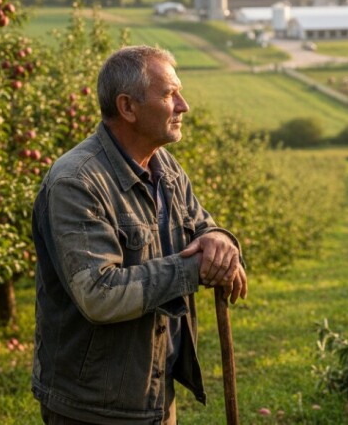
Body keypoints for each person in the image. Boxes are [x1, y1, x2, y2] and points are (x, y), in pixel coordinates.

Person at [31, 45, 247, 425]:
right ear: (128, 107)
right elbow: (99, 294)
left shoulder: (165, 168)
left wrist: (219, 240)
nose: (183, 106)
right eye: (169, 95)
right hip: (94, 406)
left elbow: (199, 224)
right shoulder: (76, 182)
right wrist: (194, 269)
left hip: (155, 391)